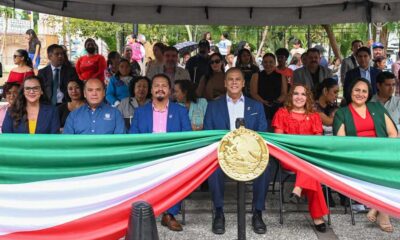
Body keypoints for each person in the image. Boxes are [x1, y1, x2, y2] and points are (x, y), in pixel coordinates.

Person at [204, 68, 272, 235]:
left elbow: (262, 132)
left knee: (265, 166)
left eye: (237, 79)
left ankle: (257, 212)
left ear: (243, 83)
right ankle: (219, 212)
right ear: (225, 83)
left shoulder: (256, 106)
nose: (234, 82)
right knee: (213, 168)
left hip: (249, 155)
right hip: (222, 154)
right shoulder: (213, 106)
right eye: (230, 79)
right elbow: (208, 132)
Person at [333, 78, 397, 232]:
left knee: (388, 168)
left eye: (364, 91)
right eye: (357, 90)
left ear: (369, 94)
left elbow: (393, 134)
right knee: (385, 172)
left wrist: (380, 151)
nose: (360, 94)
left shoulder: (377, 107)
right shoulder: (342, 113)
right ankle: (382, 211)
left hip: (381, 154)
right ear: (350, 92)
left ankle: (376, 206)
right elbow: (341, 143)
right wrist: (365, 152)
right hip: (357, 157)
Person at [129, 74, 191, 232]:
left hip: (173, 157)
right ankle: (142, 213)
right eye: (156, 85)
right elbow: (133, 137)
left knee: (179, 171)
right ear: (151, 90)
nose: (160, 89)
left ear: (169, 90)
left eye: (164, 86)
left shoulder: (181, 111)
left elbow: (188, 136)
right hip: (147, 157)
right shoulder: (140, 112)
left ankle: (169, 214)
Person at [272, 84, 329, 233]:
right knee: (311, 170)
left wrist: (305, 152)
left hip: (308, 157)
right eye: (296, 94)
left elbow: (317, 142)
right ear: (291, 96)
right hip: (288, 156)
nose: (299, 97)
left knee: (309, 166)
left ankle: (298, 188)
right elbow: (280, 141)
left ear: (307, 97)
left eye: (303, 94)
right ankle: (318, 218)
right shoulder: (282, 113)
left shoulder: (315, 116)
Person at [250, 53, 287, 127]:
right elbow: (253, 93)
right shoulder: (256, 76)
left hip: (277, 107)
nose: (268, 64)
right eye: (265, 62)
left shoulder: (281, 76)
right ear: (262, 63)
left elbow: (284, 93)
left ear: (275, 63)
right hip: (260, 107)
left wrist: (276, 102)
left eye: (271, 62)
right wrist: (263, 102)